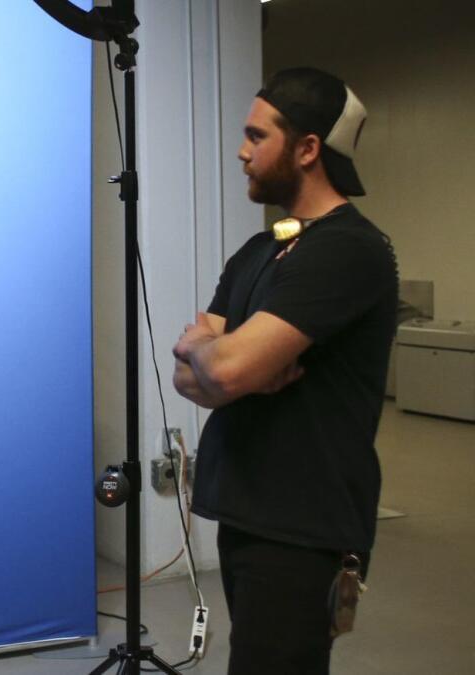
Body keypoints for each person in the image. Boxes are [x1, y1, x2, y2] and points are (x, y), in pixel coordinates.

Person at [172, 67, 397, 674]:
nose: (242, 152)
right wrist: (215, 358)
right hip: (248, 511)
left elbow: (226, 370)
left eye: (256, 136)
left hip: (303, 528)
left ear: (307, 149)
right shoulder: (259, 249)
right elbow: (193, 377)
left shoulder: (347, 250)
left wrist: (224, 360)